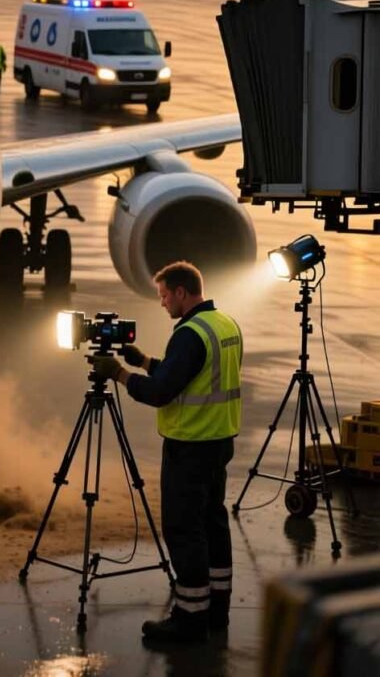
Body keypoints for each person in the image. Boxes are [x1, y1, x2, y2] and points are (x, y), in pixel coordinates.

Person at [90, 260, 242, 644]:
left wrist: (119, 375)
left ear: (180, 292)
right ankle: (216, 612)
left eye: (163, 296)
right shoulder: (224, 324)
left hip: (189, 446)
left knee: (185, 530)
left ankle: (189, 621)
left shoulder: (189, 333)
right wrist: (142, 362)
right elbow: (191, 374)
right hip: (219, 441)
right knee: (213, 523)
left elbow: (161, 392)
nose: (161, 304)